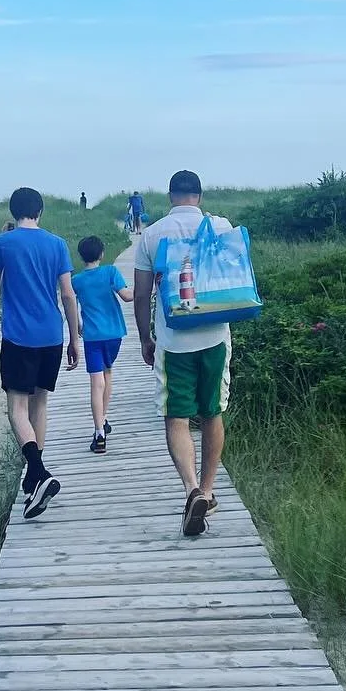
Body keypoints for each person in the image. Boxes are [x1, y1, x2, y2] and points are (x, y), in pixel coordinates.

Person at [134, 170, 233, 538]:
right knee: (212, 411)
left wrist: (146, 337)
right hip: (216, 335)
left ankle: (191, 488)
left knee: (176, 416)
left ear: (171, 196)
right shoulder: (221, 226)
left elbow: (142, 295)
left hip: (174, 341)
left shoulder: (153, 233)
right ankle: (208, 491)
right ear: (200, 195)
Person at [0, 186, 82, 519]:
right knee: (40, 402)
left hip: (18, 336)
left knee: (16, 408)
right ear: (40, 212)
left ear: (13, 212)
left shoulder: (3, 243)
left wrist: (1, 243)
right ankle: (34, 476)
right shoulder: (57, 244)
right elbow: (68, 295)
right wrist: (75, 338)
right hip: (51, 335)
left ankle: (39, 472)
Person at [71, 234, 131, 452]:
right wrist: (149, 288)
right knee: (107, 374)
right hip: (114, 334)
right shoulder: (110, 272)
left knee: (96, 382)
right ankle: (103, 419)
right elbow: (126, 296)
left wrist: (77, 324)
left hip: (93, 336)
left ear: (80, 256)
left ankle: (99, 433)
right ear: (102, 253)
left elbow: (70, 304)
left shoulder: (76, 280)